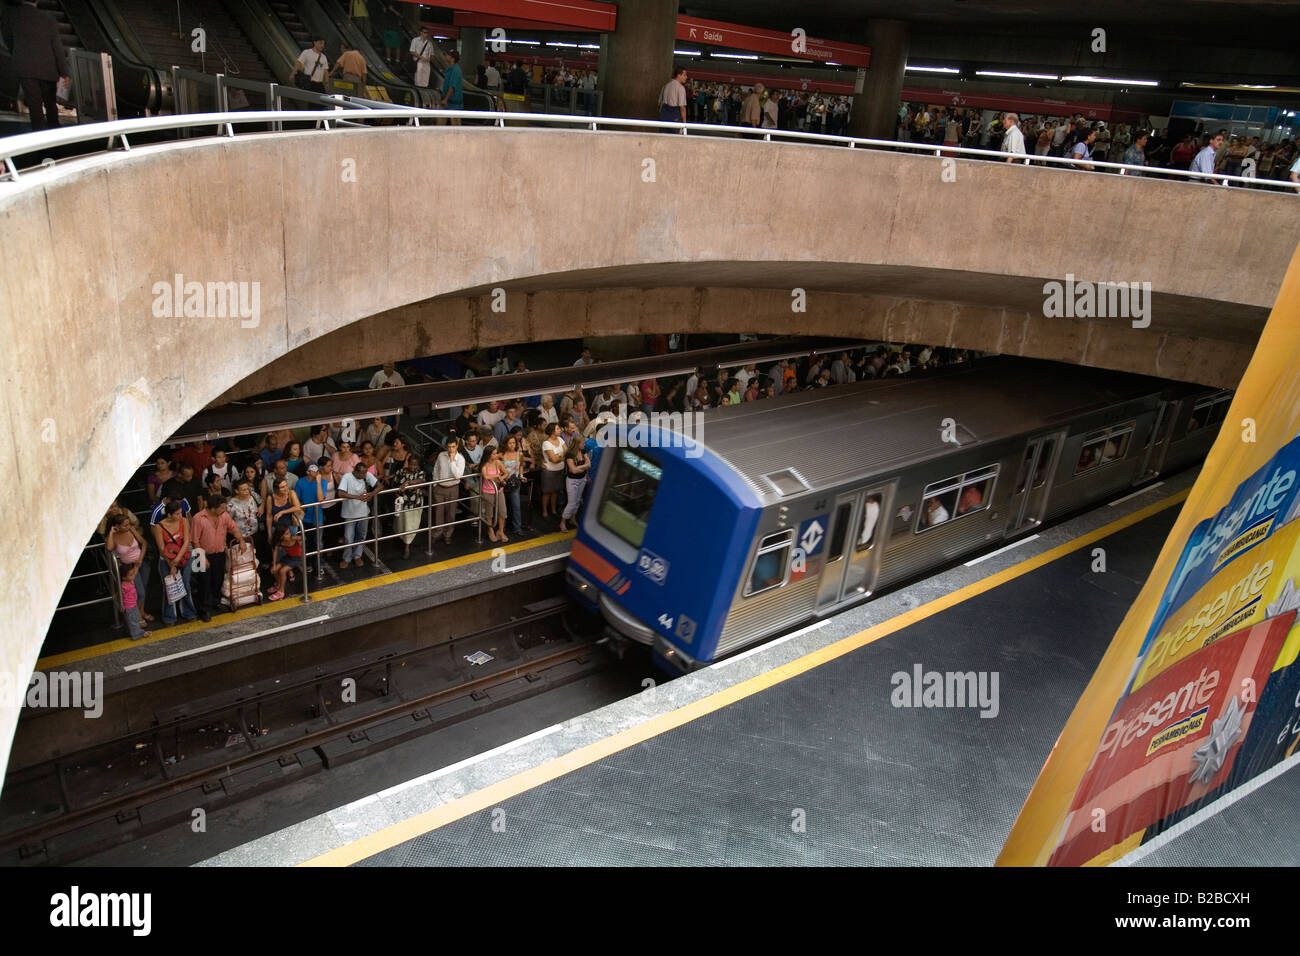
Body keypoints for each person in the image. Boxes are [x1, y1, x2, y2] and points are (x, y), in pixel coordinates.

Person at [5, 0, 68, 131]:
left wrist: (16, 53)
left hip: (25, 67)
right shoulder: (48, 18)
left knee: (35, 105)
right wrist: (64, 73)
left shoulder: (12, 15)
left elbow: (7, 38)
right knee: (50, 105)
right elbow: (57, 47)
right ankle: (55, 134)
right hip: (48, 68)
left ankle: (39, 138)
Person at [190, 493, 245, 621]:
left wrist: (241, 540)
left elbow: (233, 528)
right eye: (222, 508)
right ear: (213, 508)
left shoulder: (224, 516)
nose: (224, 510)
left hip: (219, 553)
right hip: (202, 554)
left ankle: (214, 602)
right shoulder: (198, 518)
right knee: (203, 583)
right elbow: (195, 540)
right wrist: (202, 557)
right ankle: (204, 609)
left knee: (217, 579)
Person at [105, 512, 155, 626]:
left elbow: (144, 543)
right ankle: (138, 615)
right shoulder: (114, 537)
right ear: (116, 526)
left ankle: (141, 611)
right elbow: (109, 547)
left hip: (141, 562)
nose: (128, 527)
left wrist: (140, 560)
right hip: (130, 567)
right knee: (140, 592)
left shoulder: (131, 530)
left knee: (143, 589)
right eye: (125, 525)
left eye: (128, 524)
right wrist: (112, 532)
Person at [153, 500, 197, 626]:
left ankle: (189, 612)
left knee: (186, 585)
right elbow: (162, 549)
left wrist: (177, 559)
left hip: (184, 557)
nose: (179, 516)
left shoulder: (183, 521)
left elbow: (186, 541)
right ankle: (169, 616)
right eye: (177, 514)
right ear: (169, 515)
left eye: (180, 513)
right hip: (167, 560)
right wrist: (172, 564)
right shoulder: (159, 527)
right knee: (169, 587)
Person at [337, 461, 378, 568]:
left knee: (361, 535)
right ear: (355, 472)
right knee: (348, 538)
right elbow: (340, 493)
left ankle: (357, 556)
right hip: (349, 513)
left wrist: (371, 494)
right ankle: (347, 558)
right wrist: (358, 497)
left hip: (363, 512)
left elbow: (380, 486)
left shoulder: (367, 474)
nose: (365, 475)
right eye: (362, 474)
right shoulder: (347, 477)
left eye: (365, 473)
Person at [393, 453, 429, 558]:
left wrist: (408, 482)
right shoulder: (400, 472)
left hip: (415, 504)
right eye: (411, 464)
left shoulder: (420, 473)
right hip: (402, 504)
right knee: (401, 524)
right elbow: (394, 486)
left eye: (415, 465)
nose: (413, 467)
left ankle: (407, 547)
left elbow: (421, 481)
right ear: (408, 463)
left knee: (410, 527)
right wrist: (397, 495)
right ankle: (402, 539)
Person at [431, 437, 464, 543]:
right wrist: (435, 483)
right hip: (440, 487)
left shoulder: (460, 459)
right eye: (449, 447)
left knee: (450, 513)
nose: (451, 449)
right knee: (438, 512)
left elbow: (458, 475)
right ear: (446, 447)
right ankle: (437, 533)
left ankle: (448, 534)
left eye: (453, 447)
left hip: (453, 488)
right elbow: (436, 469)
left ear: (457, 446)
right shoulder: (441, 455)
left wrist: (452, 461)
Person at [558, 442, 590, 532]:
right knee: (571, 503)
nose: (584, 444)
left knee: (578, 501)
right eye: (583, 443)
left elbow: (589, 464)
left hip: (582, 479)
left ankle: (572, 519)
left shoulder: (583, 451)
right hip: (572, 481)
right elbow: (573, 471)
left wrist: (580, 468)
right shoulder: (569, 454)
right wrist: (584, 466)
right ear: (577, 443)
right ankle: (562, 523)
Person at [500, 433, 527, 537]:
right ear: (506, 444)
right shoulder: (501, 454)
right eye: (510, 443)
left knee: (516, 505)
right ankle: (503, 526)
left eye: (513, 443)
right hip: (503, 482)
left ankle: (517, 527)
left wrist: (520, 475)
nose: (512, 445)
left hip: (514, 482)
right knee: (503, 506)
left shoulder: (519, 454)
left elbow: (520, 466)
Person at [479, 445, 508, 543]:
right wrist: (497, 475)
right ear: (488, 455)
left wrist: (502, 478)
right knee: (489, 513)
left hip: (499, 491)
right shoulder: (484, 465)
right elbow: (486, 476)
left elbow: (506, 473)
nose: (496, 455)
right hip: (487, 491)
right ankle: (490, 530)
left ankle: (500, 531)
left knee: (502, 511)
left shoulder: (498, 463)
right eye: (494, 454)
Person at [267, 524, 303, 601]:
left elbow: (303, 537)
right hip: (288, 557)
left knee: (282, 571)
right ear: (281, 536)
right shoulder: (280, 542)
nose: (289, 535)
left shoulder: (293, 538)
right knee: (274, 569)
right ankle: (278, 584)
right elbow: (275, 552)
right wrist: (273, 564)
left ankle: (281, 591)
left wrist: (301, 541)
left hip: (297, 558)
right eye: (286, 534)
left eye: (289, 533)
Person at [539, 422, 566, 519]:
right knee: (547, 492)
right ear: (552, 431)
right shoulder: (546, 443)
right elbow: (554, 460)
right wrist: (561, 456)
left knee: (555, 491)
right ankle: (545, 511)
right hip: (549, 471)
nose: (560, 430)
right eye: (558, 429)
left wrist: (559, 456)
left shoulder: (560, 439)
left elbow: (567, 452)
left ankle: (553, 510)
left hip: (559, 470)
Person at [439, 49, 463, 124]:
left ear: (452, 58)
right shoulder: (450, 69)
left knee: (455, 127)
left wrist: (445, 100)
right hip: (448, 102)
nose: (446, 56)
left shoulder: (455, 70)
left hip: (453, 104)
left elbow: (452, 87)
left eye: (448, 55)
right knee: (440, 123)